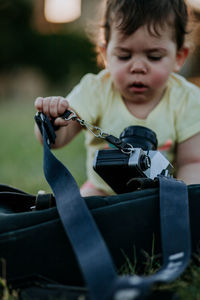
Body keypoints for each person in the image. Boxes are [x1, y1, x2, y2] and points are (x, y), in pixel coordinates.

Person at [34, 0, 200, 197]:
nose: (137, 66)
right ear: (106, 54)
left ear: (179, 57)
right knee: (76, 215)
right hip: (102, 192)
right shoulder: (95, 90)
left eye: (154, 56)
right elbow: (56, 141)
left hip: (160, 195)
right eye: (124, 55)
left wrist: (181, 200)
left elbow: (193, 162)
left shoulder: (187, 98)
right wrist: (52, 121)